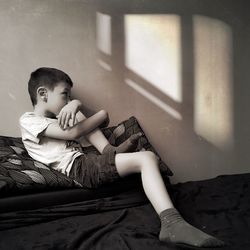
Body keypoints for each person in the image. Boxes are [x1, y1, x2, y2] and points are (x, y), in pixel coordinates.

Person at [19, 67, 225, 248]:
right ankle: (172, 224)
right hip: (79, 168)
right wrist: (89, 108)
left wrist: (75, 106)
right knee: (147, 158)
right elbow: (73, 134)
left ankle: (110, 150)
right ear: (43, 94)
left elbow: (79, 126)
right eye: (65, 95)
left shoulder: (57, 118)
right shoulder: (29, 120)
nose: (69, 100)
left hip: (88, 158)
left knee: (83, 120)